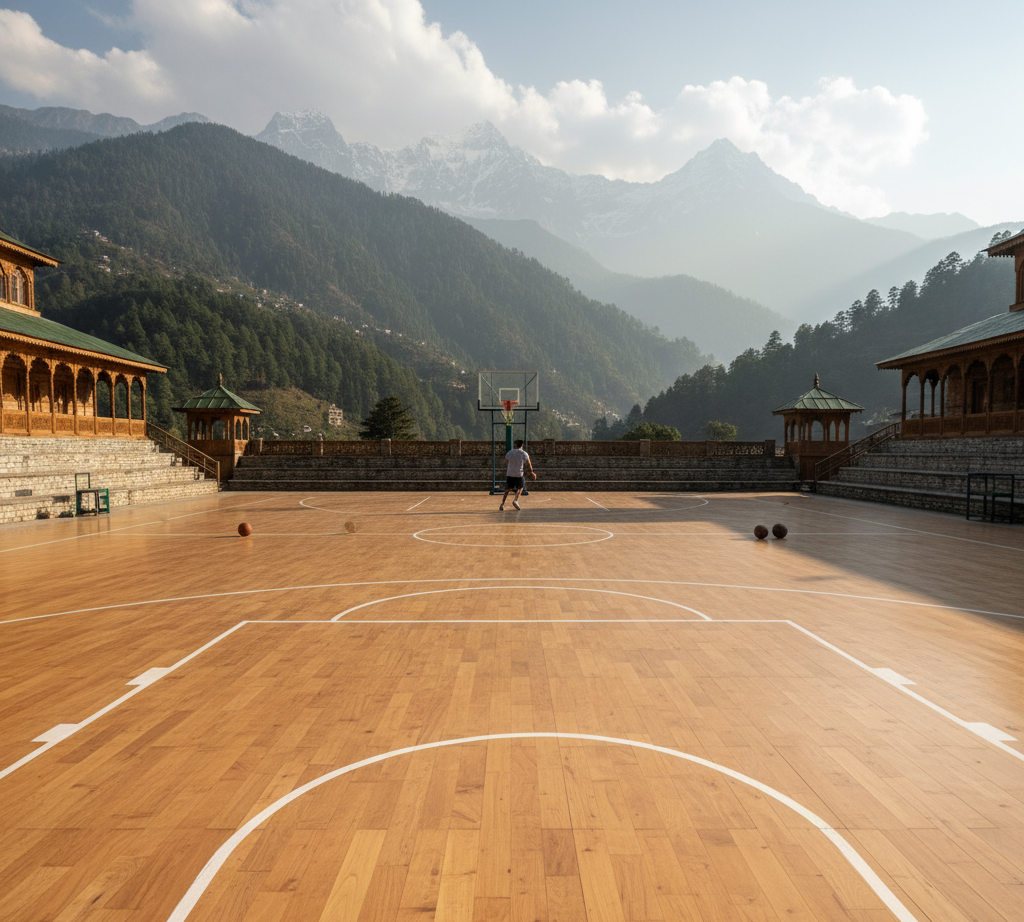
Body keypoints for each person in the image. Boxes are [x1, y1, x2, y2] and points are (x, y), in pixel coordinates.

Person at [500, 438, 534, 511]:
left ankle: (502, 504)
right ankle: (515, 500)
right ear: (522, 445)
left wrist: (511, 465)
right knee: (520, 488)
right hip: (519, 473)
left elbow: (505, 462)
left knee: (508, 489)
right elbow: (529, 464)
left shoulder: (510, 452)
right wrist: (531, 472)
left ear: (515, 445)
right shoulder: (524, 453)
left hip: (510, 473)